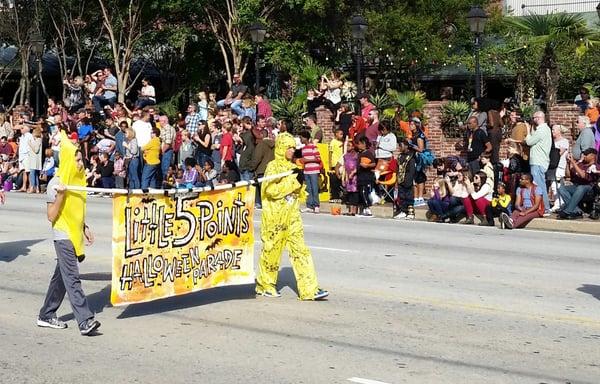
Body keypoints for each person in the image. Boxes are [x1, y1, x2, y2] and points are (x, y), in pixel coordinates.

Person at [38, 131, 101, 335]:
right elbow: (51, 215)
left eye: (81, 159)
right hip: (63, 234)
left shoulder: (76, 180)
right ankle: (85, 320)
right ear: (66, 160)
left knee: (61, 277)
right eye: (77, 159)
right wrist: (61, 196)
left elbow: (75, 209)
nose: (81, 163)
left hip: (73, 233)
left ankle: (46, 315)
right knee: (72, 277)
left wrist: (84, 228)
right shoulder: (55, 184)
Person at [255, 132, 329, 300]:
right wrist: (293, 182)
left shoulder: (293, 166)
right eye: (288, 148)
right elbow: (270, 190)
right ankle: (265, 284)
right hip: (275, 218)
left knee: (301, 251)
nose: (291, 151)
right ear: (281, 148)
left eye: (293, 148)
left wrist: (299, 182)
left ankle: (309, 289)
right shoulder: (273, 167)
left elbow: (298, 192)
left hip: (292, 217)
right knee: (271, 251)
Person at [557, 148, 598, 220]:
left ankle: (567, 211)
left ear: (592, 156)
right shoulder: (581, 164)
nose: (584, 156)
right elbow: (568, 175)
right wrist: (568, 163)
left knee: (581, 187)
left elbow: (583, 176)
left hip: (589, 190)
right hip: (577, 188)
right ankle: (577, 211)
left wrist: (573, 162)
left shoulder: (595, 166)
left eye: (586, 155)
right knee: (561, 188)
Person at [525, 111, 552, 214]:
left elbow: (529, 141)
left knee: (539, 186)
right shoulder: (545, 129)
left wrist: (527, 130)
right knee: (540, 185)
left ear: (538, 118)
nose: (533, 119)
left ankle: (545, 208)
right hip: (540, 161)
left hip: (538, 161)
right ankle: (542, 207)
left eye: (534, 117)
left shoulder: (542, 130)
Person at [299, 130, 322, 213]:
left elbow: (318, 158)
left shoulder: (313, 147)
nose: (300, 139)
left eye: (301, 137)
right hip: (306, 171)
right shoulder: (303, 148)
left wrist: (306, 160)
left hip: (314, 171)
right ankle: (309, 205)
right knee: (308, 189)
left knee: (314, 188)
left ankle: (316, 205)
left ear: (306, 138)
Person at [394, 139, 416, 220]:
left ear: (406, 146)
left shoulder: (411, 156)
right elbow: (397, 168)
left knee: (409, 196)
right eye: (399, 146)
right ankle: (403, 211)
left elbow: (412, 170)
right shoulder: (399, 156)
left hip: (408, 179)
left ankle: (411, 212)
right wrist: (397, 179)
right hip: (400, 178)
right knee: (401, 196)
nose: (399, 147)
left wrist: (409, 180)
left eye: (401, 145)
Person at [355, 135, 376, 217]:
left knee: (364, 192)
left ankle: (368, 209)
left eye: (360, 144)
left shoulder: (368, 153)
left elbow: (374, 163)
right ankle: (363, 209)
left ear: (364, 144)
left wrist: (367, 166)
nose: (358, 145)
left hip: (366, 176)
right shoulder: (360, 153)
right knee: (360, 192)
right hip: (360, 175)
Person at [328, 128, 344, 203]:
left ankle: (340, 195)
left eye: (342, 134)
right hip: (335, 164)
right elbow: (330, 153)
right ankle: (334, 196)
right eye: (340, 134)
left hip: (341, 164)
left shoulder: (343, 142)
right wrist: (330, 164)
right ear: (336, 134)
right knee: (334, 180)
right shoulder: (333, 142)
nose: (342, 135)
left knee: (340, 180)